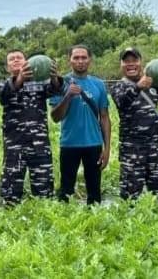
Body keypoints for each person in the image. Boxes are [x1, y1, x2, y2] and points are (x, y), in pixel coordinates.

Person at [110, 47, 158, 199]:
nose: (131, 64)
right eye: (126, 61)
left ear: (141, 63)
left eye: (134, 60)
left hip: (155, 149)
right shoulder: (118, 87)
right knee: (130, 197)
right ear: (121, 64)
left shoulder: (153, 85)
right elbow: (122, 102)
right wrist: (138, 87)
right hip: (131, 150)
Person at [0, 50, 62, 204]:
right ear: (7, 67)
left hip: (39, 144)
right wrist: (20, 79)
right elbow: (3, 97)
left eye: (19, 57)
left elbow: (56, 89)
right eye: (11, 59)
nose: (16, 60)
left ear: (27, 62)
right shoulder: (2, 84)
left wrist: (54, 77)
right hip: (14, 145)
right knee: (10, 192)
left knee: (44, 191)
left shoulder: (40, 83)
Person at [50, 45, 111, 205]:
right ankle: (65, 218)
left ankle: (93, 219)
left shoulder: (98, 84)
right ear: (69, 60)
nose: (80, 61)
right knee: (66, 191)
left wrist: (107, 149)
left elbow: (104, 117)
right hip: (69, 144)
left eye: (84, 57)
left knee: (94, 192)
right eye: (76, 57)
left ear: (90, 60)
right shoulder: (60, 83)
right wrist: (68, 96)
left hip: (94, 144)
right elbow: (55, 117)